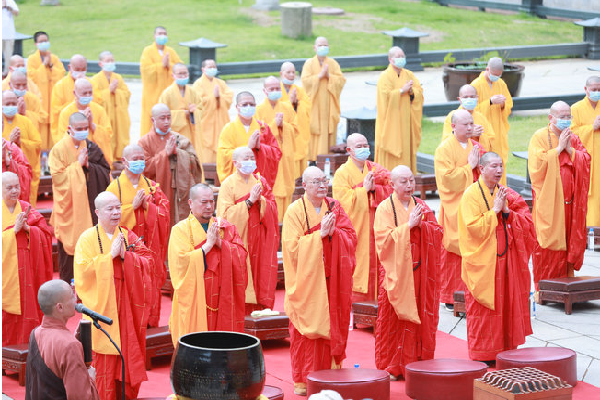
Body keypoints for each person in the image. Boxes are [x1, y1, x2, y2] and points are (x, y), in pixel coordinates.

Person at [282, 166, 357, 396]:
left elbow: (351, 237)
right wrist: (320, 235)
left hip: (332, 281)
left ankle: (331, 377)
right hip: (307, 284)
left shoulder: (335, 207)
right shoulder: (294, 211)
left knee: (332, 327)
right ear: (304, 185)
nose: (322, 185)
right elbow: (292, 249)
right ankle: (304, 380)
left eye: (324, 180)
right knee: (305, 336)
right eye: (316, 182)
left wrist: (335, 233)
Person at [74, 191, 153, 400]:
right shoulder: (87, 239)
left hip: (126, 308)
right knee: (103, 365)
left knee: (125, 358)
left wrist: (126, 256)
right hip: (102, 310)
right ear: (97, 212)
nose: (116, 212)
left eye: (118, 207)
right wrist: (109, 257)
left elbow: (148, 260)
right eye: (110, 209)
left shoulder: (127, 235)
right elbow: (82, 272)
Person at [458, 152, 536, 362]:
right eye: (494, 166)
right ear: (481, 169)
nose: (499, 170)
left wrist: (508, 212)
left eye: (501, 166)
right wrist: (494, 211)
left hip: (507, 260)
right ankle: (484, 353)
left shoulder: (507, 193)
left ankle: (507, 349)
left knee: (507, 304)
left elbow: (527, 222)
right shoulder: (471, 195)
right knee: (484, 309)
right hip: (483, 263)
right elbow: (472, 228)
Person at [373, 165, 442, 379]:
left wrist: (423, 227)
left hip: (420, 274)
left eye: (411, 180)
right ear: (392, 184)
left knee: (420, 316)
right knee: (392, 319)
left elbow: (438, 233)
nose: (409, 185)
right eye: (403, 181)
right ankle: (392, 365)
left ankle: (417, 362)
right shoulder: (385, 208)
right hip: (395, 275)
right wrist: (408, 227)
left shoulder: (421, 205)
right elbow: (383, 242)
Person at [168, 183, 248, 345]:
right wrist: (207, 246)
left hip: (223, 297)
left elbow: (241, 256)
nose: (209, 206)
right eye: (204, 202)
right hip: (196, 298)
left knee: (223, 344)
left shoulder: (225, 228)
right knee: (196, 345)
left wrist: (221, 244)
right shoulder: (180, 230)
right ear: (190, 203)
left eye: (212, 201)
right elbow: (180, 265)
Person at [106, 144, 170, 327]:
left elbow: (165, 214)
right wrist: (131, 208)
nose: (139, 162)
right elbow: (107, 220)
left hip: (150, 249)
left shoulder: (152, 186)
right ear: (124, 161)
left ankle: (150, 324)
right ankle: (131, 327)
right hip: (128, 250)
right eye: (135, 159)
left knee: (151, 286)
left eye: (142, 158)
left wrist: (148, 207)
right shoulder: (114, 189)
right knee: (130, 289)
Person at [528, 101, 591, 288]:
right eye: (562, 117)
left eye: (568, 116)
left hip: (570, 204)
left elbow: (586, 160)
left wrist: (569, 149)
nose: (566, 120)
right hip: (550, 204)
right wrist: (558, 149)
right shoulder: (540, 137)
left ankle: (565, 284)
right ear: (551, 118)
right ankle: (544, 287)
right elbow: (536, 166)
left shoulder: (574, 138)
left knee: (568, 240)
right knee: (548, 243)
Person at [49, 112, 111, 283]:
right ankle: (68, 287)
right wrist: (78, 166)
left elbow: (105, 171)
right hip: (68, 209)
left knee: (89, 248)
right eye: (79, 128)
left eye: (85, 128)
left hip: (88, 207)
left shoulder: (91, 146)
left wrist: (88, 165)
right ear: (70, 128)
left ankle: (89, 284)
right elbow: (58, 179)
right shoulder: (58, 150)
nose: (83, 131)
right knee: (68, 255)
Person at [217, 147, 279, 313]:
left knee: (260, 272)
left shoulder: (260, 181)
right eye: (246, 158)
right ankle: (240, 311)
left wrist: (262, 201)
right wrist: (249, 201)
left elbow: (273, 207)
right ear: (236, 163)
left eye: (252, 157)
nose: (250, 161)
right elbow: (224, 217)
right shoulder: (228, 184)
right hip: (239, 239)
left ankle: (260, 307)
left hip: (259, 237)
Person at [332, 133, 393, 301]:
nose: (364, 149)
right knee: (358, 263)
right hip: (356, 228)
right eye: (359, 146)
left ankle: (379, 301)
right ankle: (358, 303)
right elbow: (342, 203)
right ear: (349, 150)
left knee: (378, 261)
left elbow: (392, 186)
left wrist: (375, 190)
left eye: (366, 145)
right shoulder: (342, 173)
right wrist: (363, 190)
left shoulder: (375, 168)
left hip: (377, 225)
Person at [434, 110, 483, 310]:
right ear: (453, 126)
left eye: (472, 123)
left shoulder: (476, 146)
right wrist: (469, 166)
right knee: (453, 250)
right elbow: (447, 180)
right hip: (454, 207)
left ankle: (473, 293)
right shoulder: (444, 149)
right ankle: (450, 296)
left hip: (475, 206)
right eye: (465, 124)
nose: (470, 128)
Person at [25, 279, 100, 400]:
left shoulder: (35, 333)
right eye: (71, 296)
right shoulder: (70, 346)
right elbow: (80, 397)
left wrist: (71, 340)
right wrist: (90, 378)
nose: (76, 300)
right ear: (60, 307)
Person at [2, 171, 53, 346]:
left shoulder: (25, 207)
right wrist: (13, 231)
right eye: (9, 188)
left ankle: (29, 349)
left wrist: (29, 229)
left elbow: (45, 234)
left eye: (17, 186)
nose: (14, 191)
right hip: (5, 274)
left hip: (27, 270)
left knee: (28, 308)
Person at [138, 103, 203, 225]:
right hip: (156, 192)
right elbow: (144, 168)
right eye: (162, 118)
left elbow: (194, 163)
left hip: (178, 191)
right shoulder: (144, 142)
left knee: (179, 222)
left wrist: (178, 153)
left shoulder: (179, 139)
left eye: (169, 117)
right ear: (153, 120)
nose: (167, 121)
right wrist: (165, 154)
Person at [216, 91, 282, 186]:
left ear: (255, 106)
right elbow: (223, 156)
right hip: (237, 181)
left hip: (259, 178)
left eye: (251, 104)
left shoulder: (263, 128)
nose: (248, 107)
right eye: (244, 104)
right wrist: (247, 148)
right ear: (237, 107)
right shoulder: (228, 129)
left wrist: (260, 147)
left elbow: (276, 153)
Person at [374, 46, 424, 173]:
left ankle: (405, 177)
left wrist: (411, 91)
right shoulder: (384, 76)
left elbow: (419, 92)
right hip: (390, 122)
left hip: (406, 121)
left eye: (403, 56)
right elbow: (384, 97)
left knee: (406, 147)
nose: (401, 58)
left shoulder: (409, 74)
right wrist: (401, 91)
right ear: (390, 59)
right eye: (398, 56)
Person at [256, 75, 298, 218]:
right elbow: (258, 133)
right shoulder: (259, 110)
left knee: (286, 186)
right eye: (271, 89)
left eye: (277, 88)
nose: (275, 91)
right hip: (269, 157)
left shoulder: (287, 108)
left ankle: (287, 220)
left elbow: (295, 129)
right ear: (265, 91)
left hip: (285, 155)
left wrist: (283, 125)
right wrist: (274, 125)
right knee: (272, 189)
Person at [301, 37, 346, 162]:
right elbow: (305, 81)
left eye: (325, 45)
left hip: (329, 106)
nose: (323, 47)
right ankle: (313, 159)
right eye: (320, 45)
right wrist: (319, 76)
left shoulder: (333, 64)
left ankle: (329, 159)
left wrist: (329, 76)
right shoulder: (309, 64)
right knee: (314, 129)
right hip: (314, 105)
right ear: (314, 48)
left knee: (328, 130)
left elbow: (341, 81)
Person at [470, 57, 512, 185]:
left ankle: (501, 189)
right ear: (487, 69)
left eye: (499, 75)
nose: (496, 78)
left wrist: (503, 104)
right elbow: (471, 109)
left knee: (499, 161)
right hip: (483, 131)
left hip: (498, 130)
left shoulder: (501, 84)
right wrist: (489, 102)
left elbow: (509, 104)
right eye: (494, 74)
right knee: (487, 162)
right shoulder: (476, 85)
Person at [57, 78, 113, 164]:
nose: (87, 96)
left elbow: (108, 136)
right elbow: (63, 140)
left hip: (97, 159)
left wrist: (92, 125)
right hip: (75, 160)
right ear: (74, 93)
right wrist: (80, 125)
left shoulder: (99, 110)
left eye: (90, 93)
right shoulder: (66, 113)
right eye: (84, 93)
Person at [140, 26, 182, 136]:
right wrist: (161, 66)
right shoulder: (148, 51)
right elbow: (145, 71)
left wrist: (169, 65)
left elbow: (180, 68)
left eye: (164, 34)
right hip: (152, 94)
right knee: (151, 120)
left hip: (168, 94)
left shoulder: (171, 52)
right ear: (154, 36)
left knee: (168, 119)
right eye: (160, 33)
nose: (162, 36)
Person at [27, 31, 66, 150]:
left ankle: (53, 152)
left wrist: (51, 66)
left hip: (53, 98)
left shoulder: (54, 58)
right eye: (41, 41)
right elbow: (32, 78)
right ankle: (42, 153)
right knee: (41, 129)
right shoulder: (32, 59)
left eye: (46, 41)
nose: (44, 43)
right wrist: (44, 65)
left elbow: (61, 74)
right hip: (41, 98)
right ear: (36, 44)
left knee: (54, 126)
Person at [91, 50, 131, 162]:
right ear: (101, 63)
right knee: (108, 137)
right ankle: (108, 159)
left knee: (120, 136)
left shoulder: (118, 77)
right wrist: (108, 91)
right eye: (107, 61)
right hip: (105, 115)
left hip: (119, 114)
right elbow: (95, 99)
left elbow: (127, 94)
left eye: (112, 60)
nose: (110, 63)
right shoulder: (95, 80)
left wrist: (116, 92)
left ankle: (120, 158)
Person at [50, 54, 101, 143]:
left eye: (83, 69)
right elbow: (56, 111)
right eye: (77, 69)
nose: (80, 72)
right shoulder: (60, 86)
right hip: (68, 129)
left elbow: (98, 105)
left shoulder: (91, 84)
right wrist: (77, 105)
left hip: (90, 132)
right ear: (70, 68)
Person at [3, 90, 41, 205]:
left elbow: (37, 144)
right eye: (7, 103)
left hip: (21, 172)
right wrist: (10, 143)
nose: (11, 106)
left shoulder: (25, 121)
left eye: (13, 103)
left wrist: (20, 142)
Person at [192, 59, 233, 163]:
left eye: (214, 67)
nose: (212, 69)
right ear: (203, 69)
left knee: (222, 144)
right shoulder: (198, 84)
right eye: (209, 67)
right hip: (206, 125)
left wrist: (219, 97)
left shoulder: (220, 83)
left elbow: (229, 97)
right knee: (206, 150)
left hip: (220, 122)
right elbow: (197, 102)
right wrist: (213, 97)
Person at [571, 76, 600, 226]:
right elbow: (571, 133)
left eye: (599, 89)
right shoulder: (576, 108)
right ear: (586, 89)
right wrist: (591, 128)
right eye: (594, 89)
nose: (597, 92)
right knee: (589, 193)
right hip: (586, 158)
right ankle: (590, 228)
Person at [159, 63, 203, 152]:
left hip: (190, 132)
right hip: (174, 133)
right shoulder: (167, 93)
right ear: (173, 75)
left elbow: (201, 109)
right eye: (180, 73)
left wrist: (193, 112)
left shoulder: (192, 92)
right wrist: (183, 114)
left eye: (185, 73)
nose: (183, 76)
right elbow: (161, 114)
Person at [280, 61, 311, 178]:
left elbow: (308, 107)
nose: (291, 75)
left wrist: (297, 103)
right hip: (284, 134)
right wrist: (289, 102)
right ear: (281, 73)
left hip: (299, 134)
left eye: (293, 72)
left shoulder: (299, 90)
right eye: (288, 72)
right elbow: (275, 109)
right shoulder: (276, 90)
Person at [442, 84, 495, 152]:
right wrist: (468, 134)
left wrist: (480, 135)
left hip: (479, 154)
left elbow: (491, 139)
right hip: (459, 154)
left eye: (472, 97)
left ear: (477, 98)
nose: (469, 99)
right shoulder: (452, 116)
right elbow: (446, 139)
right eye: (465, 97)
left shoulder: (481, 117)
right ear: (460, 99)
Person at [2, 0, 18, 75]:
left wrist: (10, 8)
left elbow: (16, 13)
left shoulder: (10, 2)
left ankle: (7, 73)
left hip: (9, 34)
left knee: (8, 55)